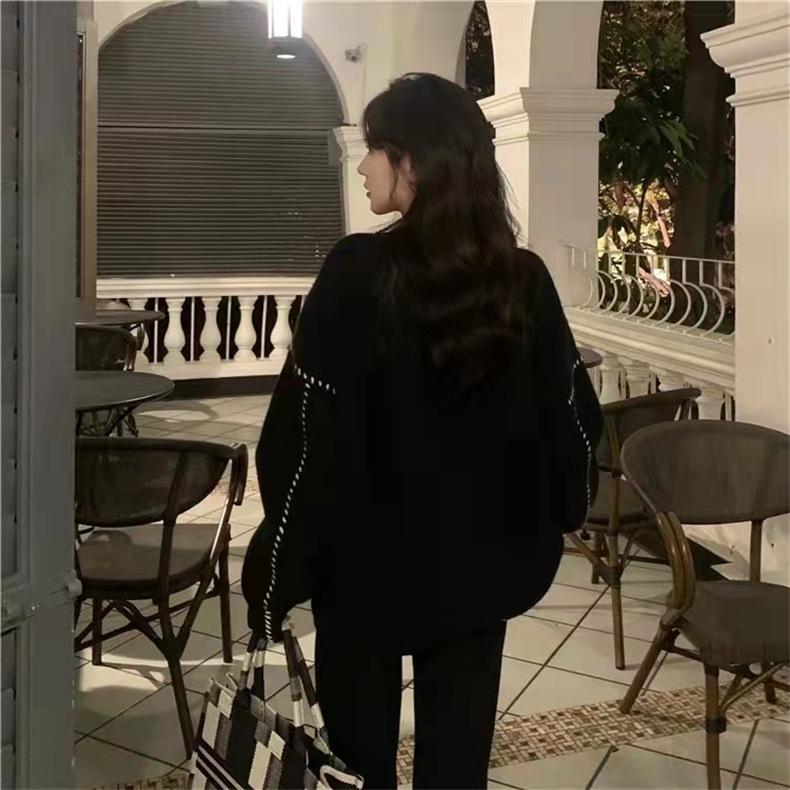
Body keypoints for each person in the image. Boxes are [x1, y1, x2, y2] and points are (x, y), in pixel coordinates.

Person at [242, 72, 603, 789]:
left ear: (412, 162)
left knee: (355, 768)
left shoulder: (355, 274)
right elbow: (572, 418)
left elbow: (303, 442)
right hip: (477, 576)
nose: (362, 165)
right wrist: (559, 511)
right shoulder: (521, 280)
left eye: (374, 148)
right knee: (456, 771)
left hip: (363, 578)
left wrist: (275, 572)